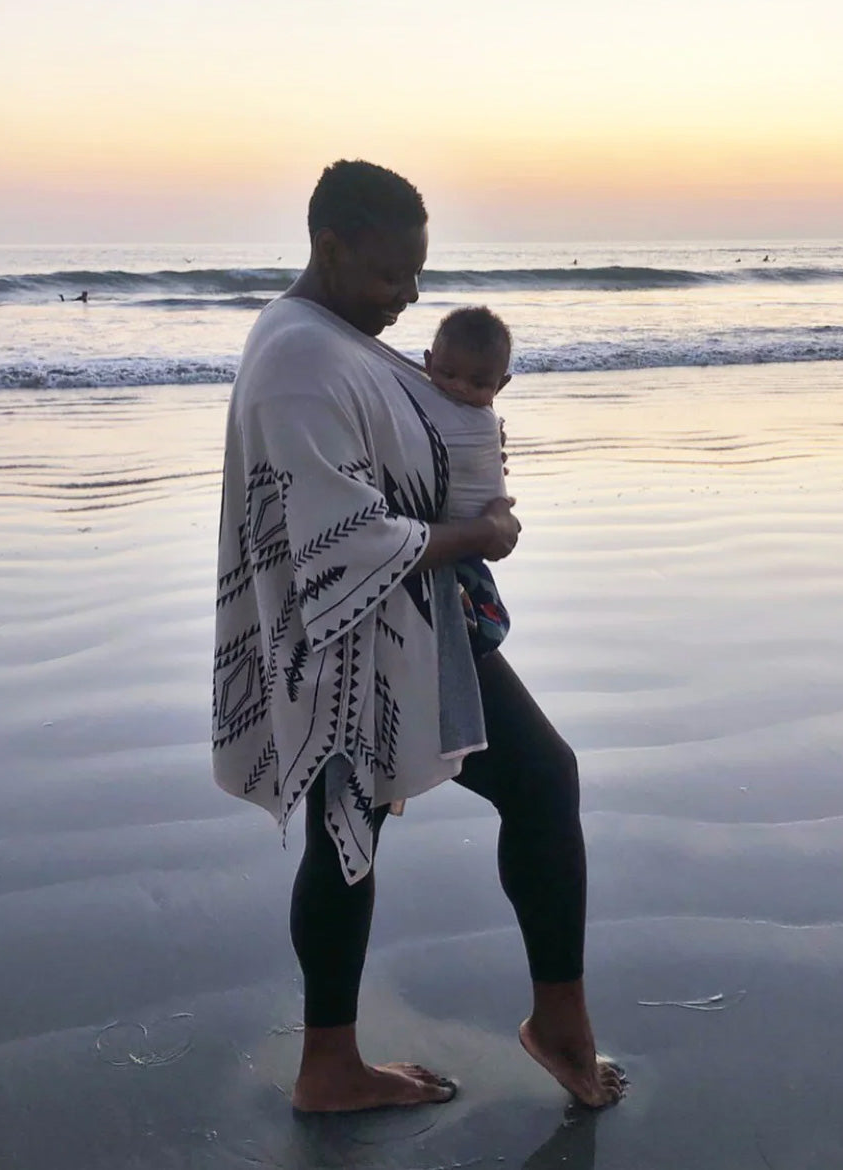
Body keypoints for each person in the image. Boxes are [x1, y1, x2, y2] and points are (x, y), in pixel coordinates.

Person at [212, 159, 624, 1114]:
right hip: (360, 640)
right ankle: (529, 1030)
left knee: (349, 834)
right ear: (330, 247)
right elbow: (341, 537)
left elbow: (392, 457)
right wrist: (477, 533)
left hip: (397, 632)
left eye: (418, 275)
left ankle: (335, 1062)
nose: (408, 298)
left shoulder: (327, 336)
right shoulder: (300, 356)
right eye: (392, 275)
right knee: (535, 781)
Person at [418, 305, 514, 657]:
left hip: (477, 527)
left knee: (476, 580)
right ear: (427, 365)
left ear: (500, 385)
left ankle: (486, 622)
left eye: (478, 383)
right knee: (463, 578)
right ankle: (476, 621)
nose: (459, 388)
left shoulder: (487, 419)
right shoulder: (418, 399)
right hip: (440, 529)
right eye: (448, 374)